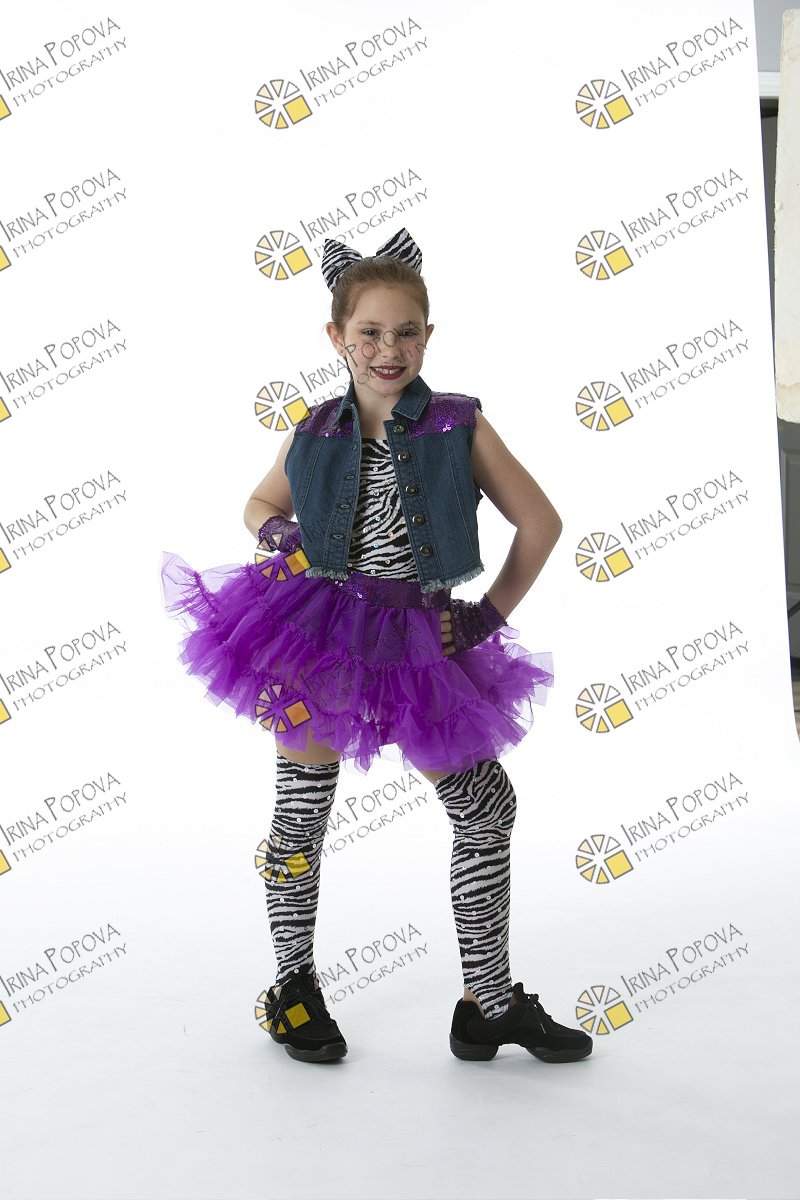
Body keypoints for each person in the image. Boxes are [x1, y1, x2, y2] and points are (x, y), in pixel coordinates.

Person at [160, 227, 593, 1068]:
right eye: (369, 332)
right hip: (314, 635)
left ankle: (488, 1002)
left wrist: (482, 619)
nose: (388, 349)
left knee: (484, 808)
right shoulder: (316, 427)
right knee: (302, 808)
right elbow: (258, 503)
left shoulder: (459, 424)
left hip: (416, 640)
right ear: (336, 336)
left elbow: (540, 523)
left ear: (429, 336)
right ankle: (292, 988)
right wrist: (280, 532)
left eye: (405, 332)